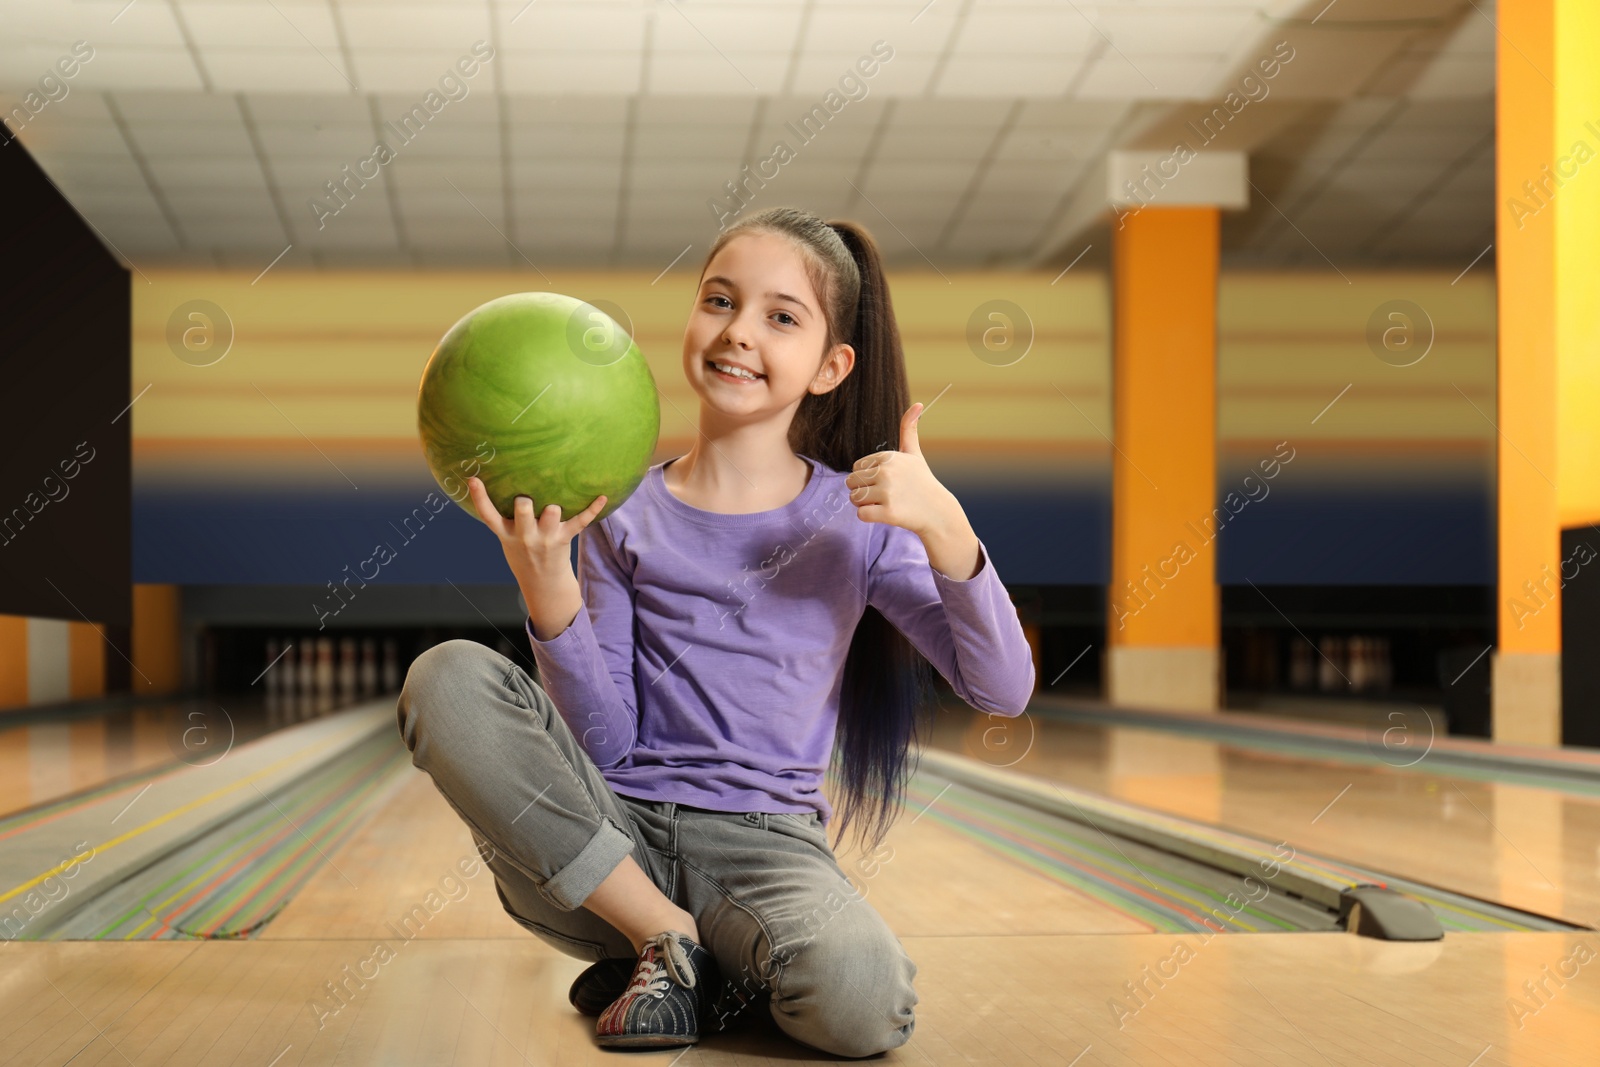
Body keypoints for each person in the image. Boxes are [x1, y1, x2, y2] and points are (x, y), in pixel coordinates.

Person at [396, 205, 1036, 1055]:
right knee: (446, 676)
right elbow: (607, 744)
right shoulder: (621, 515)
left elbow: (1003, 687)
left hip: (765, 852)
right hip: (605, 847)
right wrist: (550, 592)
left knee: (864, 1004)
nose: (738, 333)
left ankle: (680, 967)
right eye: (720, 301)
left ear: (831, 365)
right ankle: (661, 933)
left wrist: (948, 530)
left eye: (781, 317)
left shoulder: (858, 521)